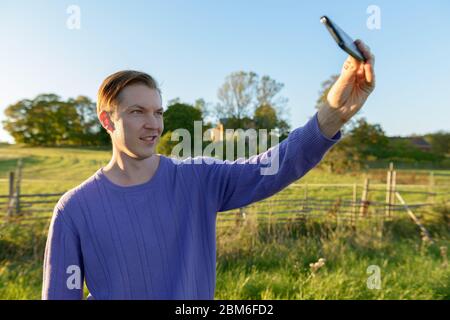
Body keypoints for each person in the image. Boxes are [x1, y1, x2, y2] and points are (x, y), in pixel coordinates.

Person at [42, 40, 375, 299]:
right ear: (106, 120)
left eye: (158, 112)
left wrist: (335, 112)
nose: (153, 124)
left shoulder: (197, 180)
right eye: (137, 112)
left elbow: (275, 166)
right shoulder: (74, 210)